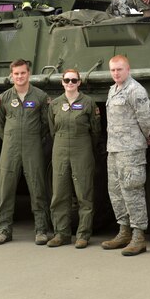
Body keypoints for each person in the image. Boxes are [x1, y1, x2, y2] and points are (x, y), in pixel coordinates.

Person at [0, 59, 52, 245]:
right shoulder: (4, 98)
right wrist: (10, 137)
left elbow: (45, 124)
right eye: (16, 74)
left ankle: (41, 229)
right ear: (11, 75)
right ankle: (3, 229)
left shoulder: (40, 96)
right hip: (10, 148)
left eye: (23, 73)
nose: (19, 76)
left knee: (37, 187)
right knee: (6, 189)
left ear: (28, 73)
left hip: (33, 148)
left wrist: (32, 137)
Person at [101, 55, 150, 256]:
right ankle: (123, 231)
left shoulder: (136, 91)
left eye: (120, 69)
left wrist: (147, 136)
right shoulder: (112, 90)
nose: (116, 73)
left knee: (132, 191)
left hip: (131, 150)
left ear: (128, 69)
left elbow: (147, 119)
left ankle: (138, 236)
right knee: (115, 191)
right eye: (113, 70)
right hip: (113, 149)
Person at [47, 69, 101, 248]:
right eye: (67, 80)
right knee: (59, 193)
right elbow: (51, 129)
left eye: (74, 80)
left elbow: (95, 130)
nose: (70, 83)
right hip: (60, 148)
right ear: (62, 82)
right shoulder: (54, 104)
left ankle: (83, 234)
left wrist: (86, 147)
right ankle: (61, 233)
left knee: (84, 193)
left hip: (82, 147)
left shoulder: (88, 103)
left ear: (79, 82)